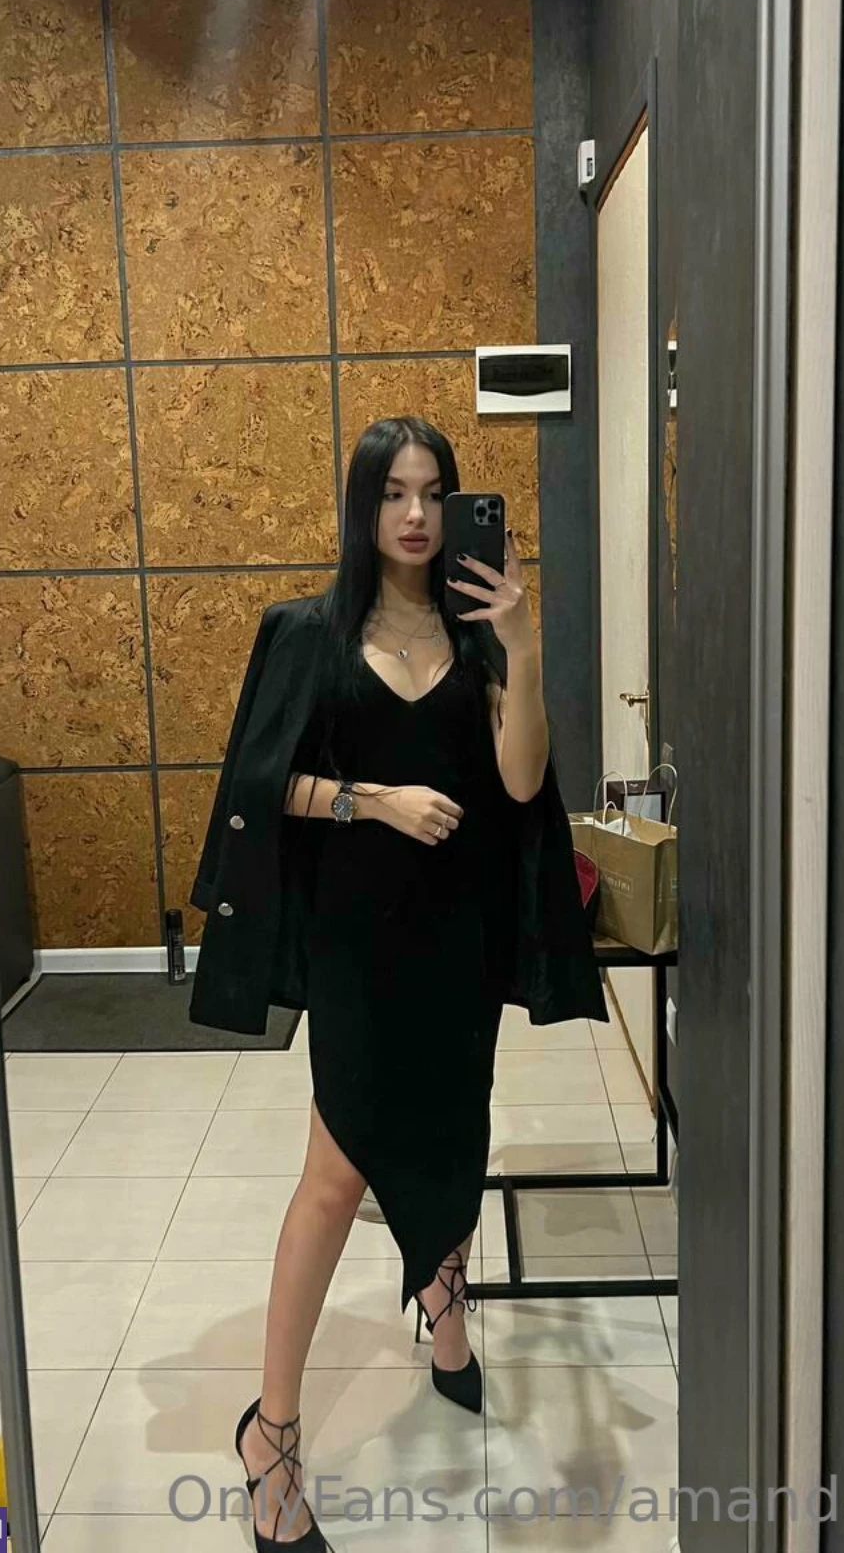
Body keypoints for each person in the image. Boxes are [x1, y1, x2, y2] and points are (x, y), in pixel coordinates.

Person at [192, 417, 605, 1551]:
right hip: (355, 942)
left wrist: (523, 644)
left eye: (432, 492)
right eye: (392, 492)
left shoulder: (479, 640)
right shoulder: (308, 632)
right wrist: (372, 801)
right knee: (334, 1176)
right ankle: (271, 1437)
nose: (416, 514)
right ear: (362, 507)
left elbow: (521, 780)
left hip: (456, 940)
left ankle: (444, 1309)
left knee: (449, 1132)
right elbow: (259, 786)